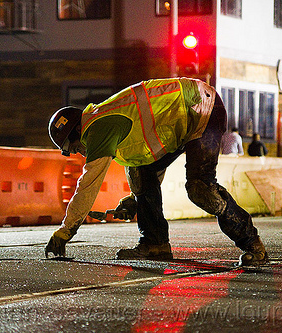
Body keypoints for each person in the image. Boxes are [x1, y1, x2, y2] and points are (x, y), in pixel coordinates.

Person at [44, 78, 268, 266]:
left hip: (201, 107)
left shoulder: (98, 128)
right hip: (181, 118)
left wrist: (66, 231)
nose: (80, 153)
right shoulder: (108, 123)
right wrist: (136, 200)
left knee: (200, 188)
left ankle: (253, 244)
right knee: (139, 174)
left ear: (77, 134)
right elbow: (149, 158)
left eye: (74, 149)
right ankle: (155, 244)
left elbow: (88, 184)